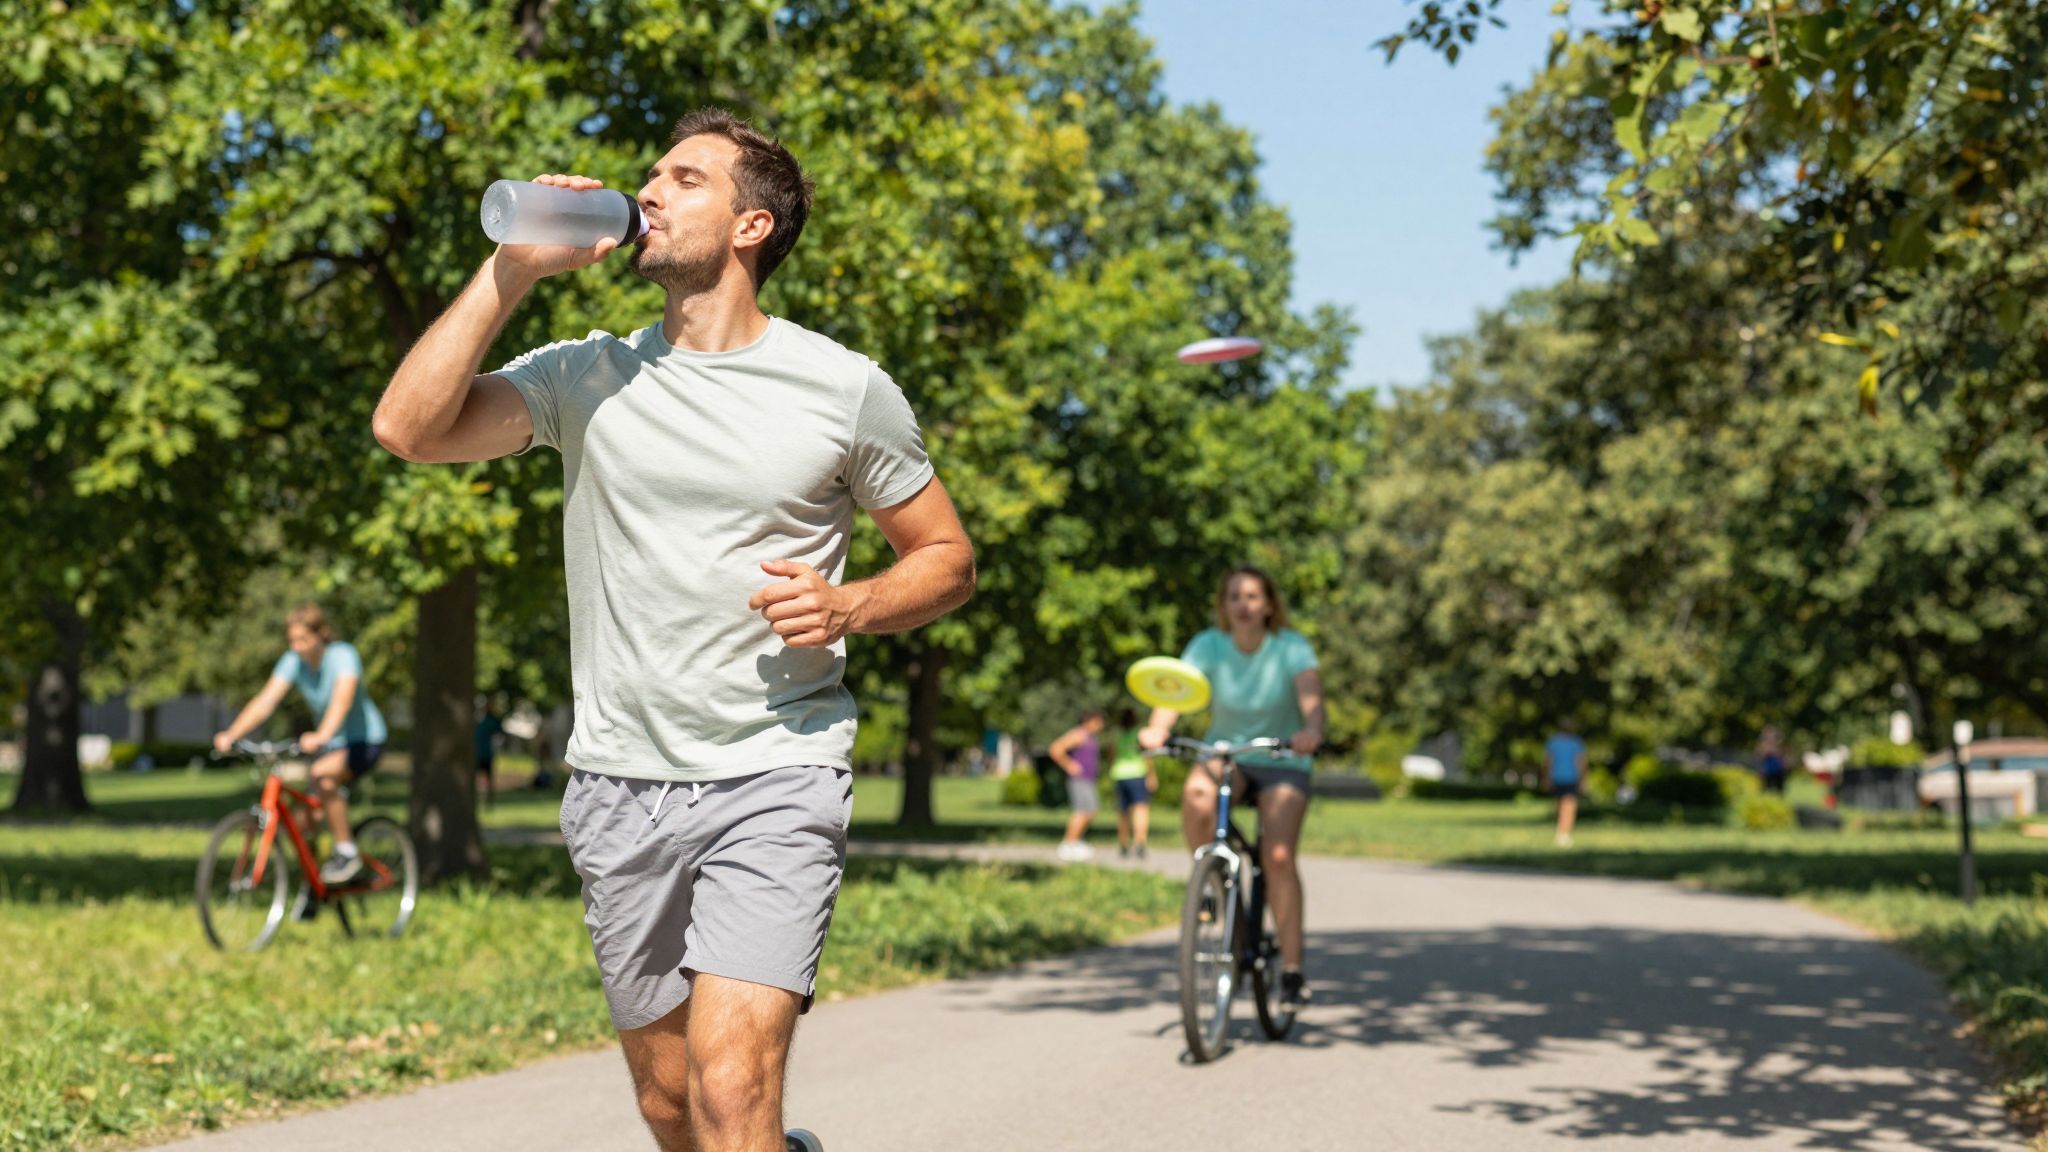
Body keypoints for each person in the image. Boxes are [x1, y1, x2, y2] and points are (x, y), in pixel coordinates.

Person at [370, 107, 973, 1152]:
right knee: (669, 1105)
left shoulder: (842, 386)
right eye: (649, 174)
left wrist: (849, 605)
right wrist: (509, 274)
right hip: (618, 782)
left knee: (729, 1087)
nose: (647, 190)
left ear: (751, 227)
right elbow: (408, 431)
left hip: (776, 772)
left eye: (683, 178)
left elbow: (946, 557)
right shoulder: (581, 374)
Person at [1139, 566, 1324, 1010]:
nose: (1243, 605)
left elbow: (1312, 701)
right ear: (1224, 605)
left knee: (1278, 857)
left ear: (1269, 605)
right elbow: (1175, 692)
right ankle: (1211, 882)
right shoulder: (1209, 645)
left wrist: (1311, 731)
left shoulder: (1290, 647)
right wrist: (1157, 727)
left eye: (1253, 597)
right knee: (1197, 795)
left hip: (1282, 758)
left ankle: (1293, 973)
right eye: (1234, 597)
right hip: (1229, 754)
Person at [213, 604, 388, 884]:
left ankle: (346, 852)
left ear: (322, 634)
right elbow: (265, 701)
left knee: (322, 775)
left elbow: (342, 699)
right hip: (330, 745)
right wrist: (232, 734)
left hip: (364, 741)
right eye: (292, 640)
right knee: (305, 818)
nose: (297, 647)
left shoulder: (343, 656)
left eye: (303, 639)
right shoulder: (293, 661)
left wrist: (321, 735)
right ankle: (316, 883)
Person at [1049, 709, 1106, 861]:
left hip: (1088, 779)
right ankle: (1067, 844)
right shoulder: (1078, 734)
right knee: (1082, 811)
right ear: (1088, 722)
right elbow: (1055, 748)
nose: (1101, 725)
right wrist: (1069, 765)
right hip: (1079, 779)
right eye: (1098, 721)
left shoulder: (1090, 737)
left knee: (1091, 811)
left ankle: (1076, 841)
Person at [1107, 707, 1158, 859]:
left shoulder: (1115, 734)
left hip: (1120, 774)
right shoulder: (1139, 734)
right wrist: (1152, 775)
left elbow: (1111, 755)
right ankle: (1140, 842)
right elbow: (1147, 756)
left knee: (1123, 812)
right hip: (1137, 774)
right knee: (1141, 810)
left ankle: (1123, 843)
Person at [1545, 719, 1588, 848]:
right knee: (1568, 806)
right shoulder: (1576, 743)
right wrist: (1583, 779)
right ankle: (1564, 833)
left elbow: (1548, 762)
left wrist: (1547, 778)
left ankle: (1562, 831)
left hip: (1558, 777)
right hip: (1570, 777)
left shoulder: (1553, 742)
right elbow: (1581, 762)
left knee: (1562, 805)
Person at [474, 695, 504, 809]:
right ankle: (480, 801)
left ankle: (489, 803)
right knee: (479, 780)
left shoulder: (489, 720)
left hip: (486, 754)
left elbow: (499, 733)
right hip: (478, 754)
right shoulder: (479, 720)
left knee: (488, 780)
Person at [1757, 726, 1788, 794]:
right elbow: (1761, 757)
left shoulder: (1778, 745)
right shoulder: (1763, 745)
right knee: (1766, 789)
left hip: (1778, 770)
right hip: (1768, 771)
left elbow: (1782, 756)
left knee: (1779, 790)